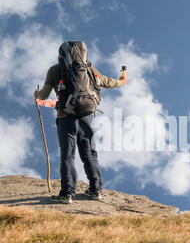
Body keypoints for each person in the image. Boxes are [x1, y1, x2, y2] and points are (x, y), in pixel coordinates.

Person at [34, 44, 127, 204]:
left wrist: (37, 95)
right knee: (89, 152)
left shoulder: (55, 70)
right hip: (87, 114)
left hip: (66, 116)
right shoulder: (89, 68)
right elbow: (107, 82)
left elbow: (43, 94)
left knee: (68, 155)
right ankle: (95, 190)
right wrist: (122, 81)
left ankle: (67, 194)